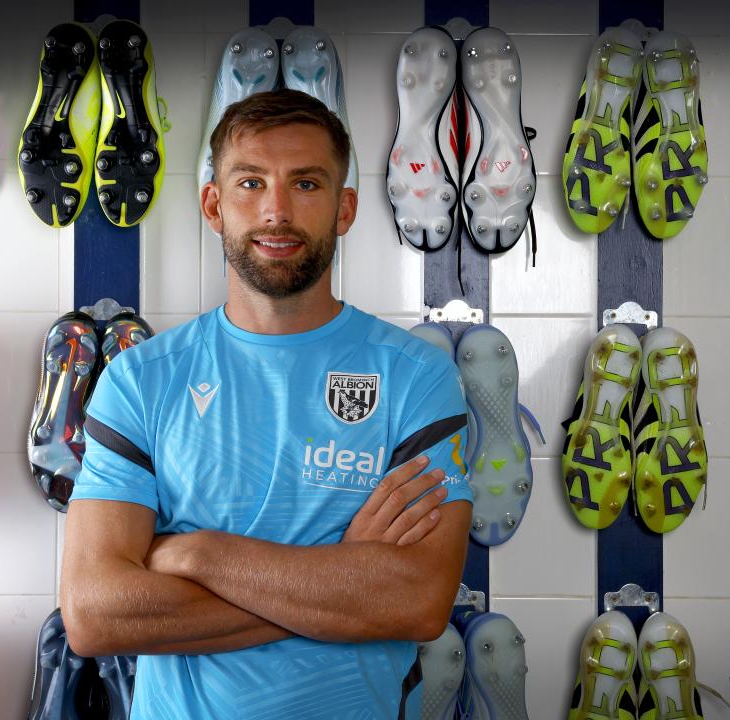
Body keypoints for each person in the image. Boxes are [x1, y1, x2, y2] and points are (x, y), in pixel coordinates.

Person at [61, 89, 473, 719]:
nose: (276, 211)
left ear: (345, 209)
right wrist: (342, 581)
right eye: (250, 182)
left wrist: (197, 554)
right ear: (213, 205)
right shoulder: (141, 380)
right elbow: (94, 613)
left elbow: (416, 601)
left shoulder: (416, 377)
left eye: (306, 184)